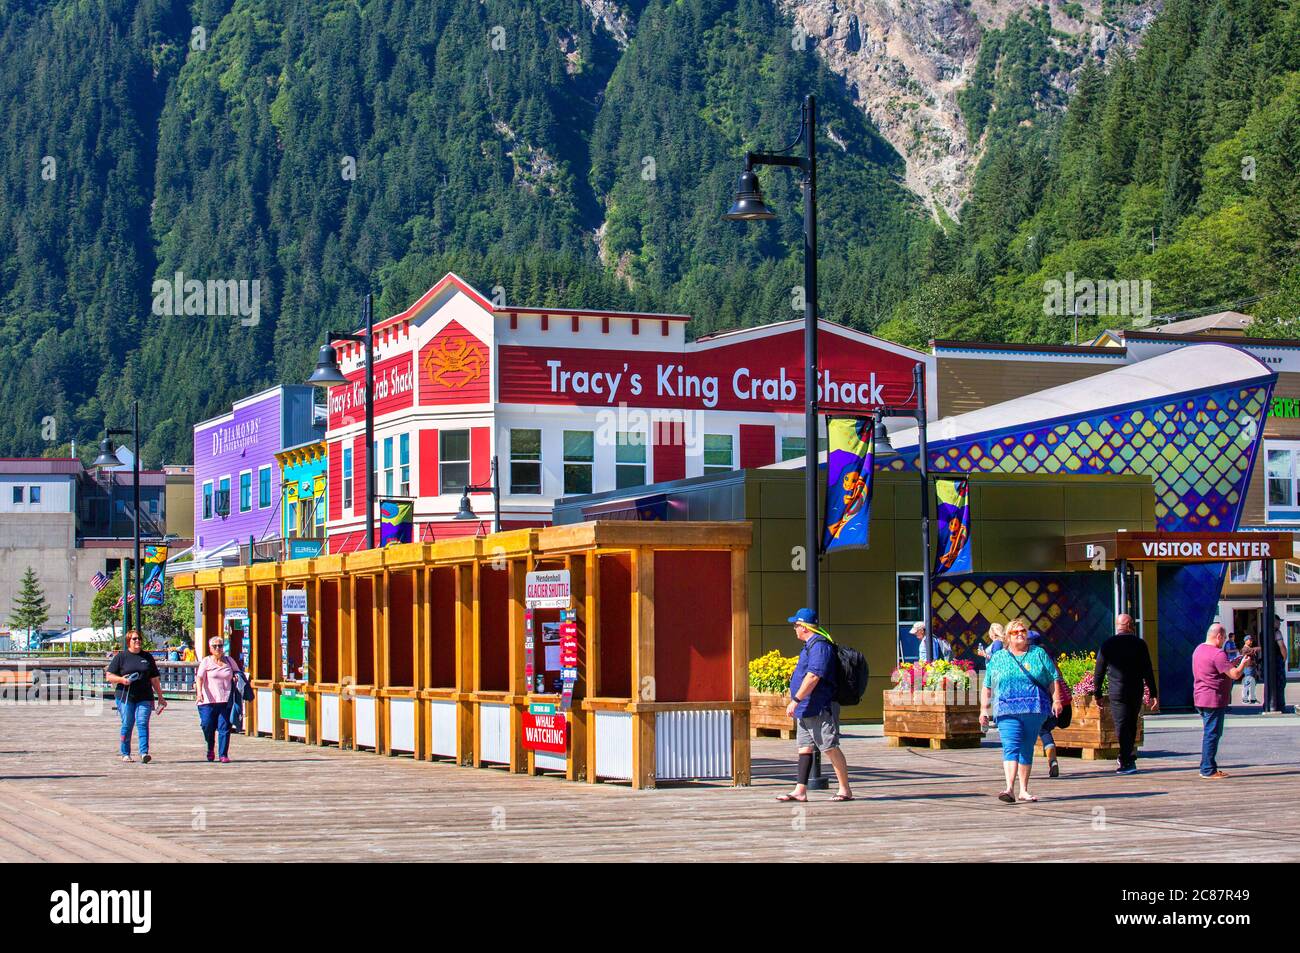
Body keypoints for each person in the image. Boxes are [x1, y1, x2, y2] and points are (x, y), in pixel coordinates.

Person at [980, 617, 1063, 803]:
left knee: (1026, 748)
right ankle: (1009, 788)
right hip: (1006, 709)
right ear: (1007, 637)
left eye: (1023, 631)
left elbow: (1053, 678)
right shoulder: (999, 657)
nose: (1020, 634)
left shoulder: (1038, 653)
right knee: (1010, 746)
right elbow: (987, 685)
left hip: (1034, 709)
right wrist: (983, 710)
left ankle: (1023, 790)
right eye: (1015, 632)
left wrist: (1056, 700)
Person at [776, 608, 853, 803]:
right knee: (804, 748)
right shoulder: (810, 645)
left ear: (803, 627)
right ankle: (800, 790)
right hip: (806, 708)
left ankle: (845, 789)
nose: (794, 629)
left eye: (796, 625)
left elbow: (813, 676)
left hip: (818, 706)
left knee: (829, 747)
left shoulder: (820, 646)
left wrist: (796, 700)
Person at [1093, 613, 1160, 775]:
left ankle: (1126, 758)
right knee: (1130, 723)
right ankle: (1127, 757)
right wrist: (1153, 692)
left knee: (1121, 724)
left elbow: (1099, 671)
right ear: (1131, 626)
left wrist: (1098, 693)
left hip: (1117, 691)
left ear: (1118, 626)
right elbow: (1147, 669)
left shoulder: (1107, 644)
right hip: (1135, 689)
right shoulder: (1140, 644)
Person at [1192, 624, 1248, 779]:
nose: (1223, 641)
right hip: (1213, 699)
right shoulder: (1217, 654)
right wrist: (1243, 663)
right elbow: (1235, 674)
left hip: (1200, 697)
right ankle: (1208, 769)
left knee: (1209, 732)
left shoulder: (1198, 650)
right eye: (1223, 638)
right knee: (1212, 734)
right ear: (1219, 636)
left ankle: (1208, 766)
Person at [105, 632, 167, 763]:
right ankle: (125, 753)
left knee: (142, 723)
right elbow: (109, 676)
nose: (137, 640)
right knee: (128, 723)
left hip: (144, 696)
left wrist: (160, 697)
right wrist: (122, 680)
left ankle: (144, 753)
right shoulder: (121, 657)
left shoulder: (147, 657)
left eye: (139, 638)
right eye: (134, 639)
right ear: (129, 641)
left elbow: (154, 679)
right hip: (125, 696)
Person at [196, 635, 237, 762]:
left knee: (224, 728)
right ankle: (210, 748)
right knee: (207, 725)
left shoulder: (229, 661)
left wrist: (236, 677)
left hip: (225, 700)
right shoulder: (206, 661)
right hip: (207, 701)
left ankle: (223, 754)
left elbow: (238, 672)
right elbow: (199, 677)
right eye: (215, 646)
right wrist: (199, 693)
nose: (218, 648)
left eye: (220, 645)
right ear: (210, 648)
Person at [1240, 635, 1260, 704]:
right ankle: (1245, 699)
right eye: (1250, 640)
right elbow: (1253, 650)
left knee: (1253, 683)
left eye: (1251, 640)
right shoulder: (1245, 649)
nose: (1251, 641)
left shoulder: (1249, 648)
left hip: (1252, 667)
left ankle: (1252, 698)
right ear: (1246, 641)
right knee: (1247, 683)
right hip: (1248, 667)